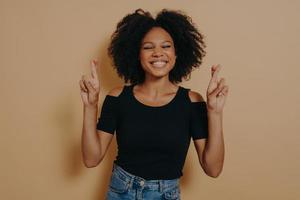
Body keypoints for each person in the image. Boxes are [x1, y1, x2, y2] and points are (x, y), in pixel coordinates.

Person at [79, 8, 229, 200]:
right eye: (148, 47)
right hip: (120, 192)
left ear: (177, 53)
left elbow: (213, 169)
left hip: (165, 194)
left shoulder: (192, 101)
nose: (158, 53)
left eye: (166, 46)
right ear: (137, 54)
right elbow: (91, 159)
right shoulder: (118, 97)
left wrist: (215, 113)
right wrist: (90, 106)